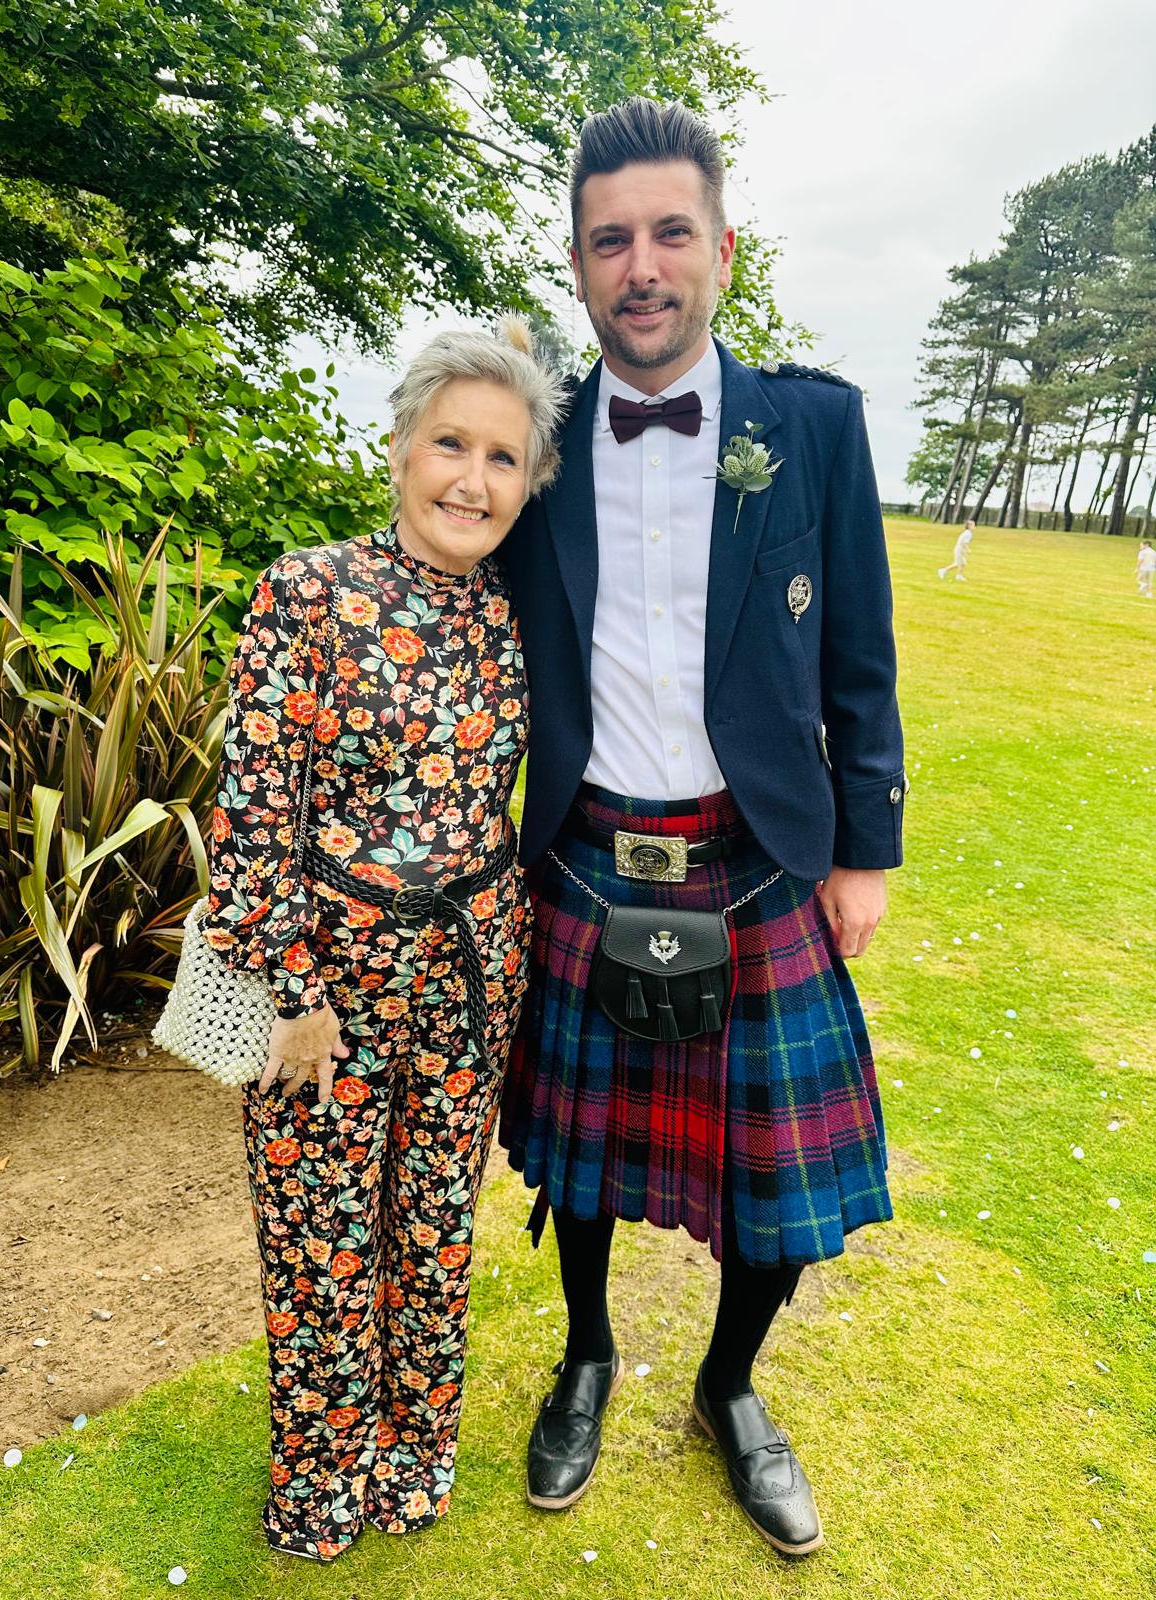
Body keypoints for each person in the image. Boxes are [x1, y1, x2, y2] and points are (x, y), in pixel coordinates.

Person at [496, 98, 906, 1559]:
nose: (643, 265)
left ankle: (730, 1388)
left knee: (776, 1189)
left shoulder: (813, 423)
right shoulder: (532, 439)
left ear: (723, 247)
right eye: (612, 240)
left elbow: (860, 652)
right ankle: (589, 1356)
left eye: (671, 232)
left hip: (759, 857)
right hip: (587, 846)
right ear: (578, 263)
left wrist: (864, 848)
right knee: (582, 1155)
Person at [199, 321, 566, 1561]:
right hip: (327, 990)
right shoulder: (307, 592)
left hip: (472, 979)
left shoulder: (520, 612)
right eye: (451, 444)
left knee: (429, 1229)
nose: (473, 479)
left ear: (530, 481)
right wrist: (289, 985)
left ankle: (413, 1452)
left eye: (503, 458)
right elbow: (253, 810)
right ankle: (320, 1478)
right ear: (402, 447)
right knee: (320, 1240)